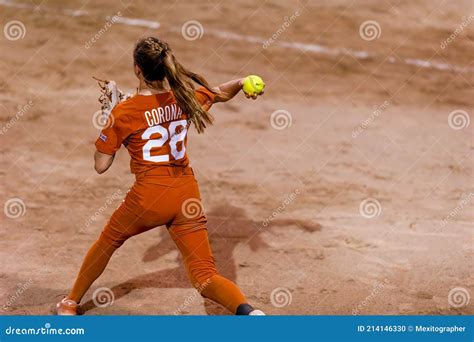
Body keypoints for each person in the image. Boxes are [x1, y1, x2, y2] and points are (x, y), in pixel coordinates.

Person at [56, 36, 264, 315]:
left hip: (148, 197)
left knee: (108, 242)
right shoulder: (185, 97)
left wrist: (110, 121)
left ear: (137, 69)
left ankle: (70, 303)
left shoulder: (124, 112)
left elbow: (101, 165)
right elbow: (220, 92)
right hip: (186, 195)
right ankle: (250, 313)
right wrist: (243, 81)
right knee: (205, 277)